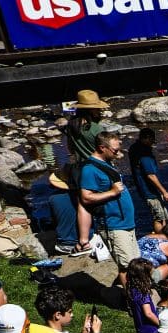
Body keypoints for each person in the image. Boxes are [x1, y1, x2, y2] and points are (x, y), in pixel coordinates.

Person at [79, 132, 141, 285]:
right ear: (102, 148)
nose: (118, 153)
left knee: (135, 263)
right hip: (114, 225)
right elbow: (86, 197)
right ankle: (132, 297)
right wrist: (112, 192)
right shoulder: (89, 169)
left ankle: (137, 292)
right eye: (115, 150)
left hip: (126, 223)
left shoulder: (107, 163)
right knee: (126, 266)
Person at [63, 90, 105, 252]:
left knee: (83, 204)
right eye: (97, 108)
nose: (99, 110)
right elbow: (104, 151)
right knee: (103, 201)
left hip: (78, 169)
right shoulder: (96, 128)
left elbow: (70, 149)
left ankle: (84, 240)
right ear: (91, 109)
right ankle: (102, 237)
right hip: (96, 169)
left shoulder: (71, 126)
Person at [128, 127, 168, 225]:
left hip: (142, 188)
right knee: (159, 218)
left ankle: (164, 233)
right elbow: (150, 175)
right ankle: (161, 234)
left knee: (162, 216)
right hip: (150, 191)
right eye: (152, 140)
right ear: (146, 138)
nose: (152, 143)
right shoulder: (144, 154)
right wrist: (164, 192)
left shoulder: (133, 147)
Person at [46, 171, 81, 256]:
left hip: (64, 244)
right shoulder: (82, 195)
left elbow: (54, 220)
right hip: (85, 241)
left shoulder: (52, 198)